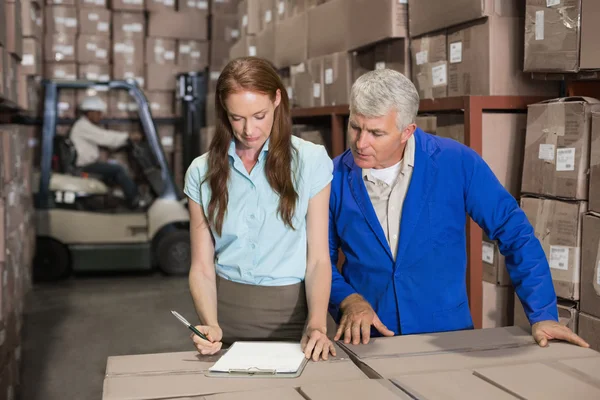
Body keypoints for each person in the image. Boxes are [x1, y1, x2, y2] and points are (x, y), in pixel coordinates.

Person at [328, 69, 590, 349]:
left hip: (447, 337)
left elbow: (515, 234)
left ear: (407, 131)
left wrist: (543, 314)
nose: (360, 142)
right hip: (369, 339)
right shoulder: (331, 178)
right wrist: (348, 299)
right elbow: (317, 260)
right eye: (355, 127)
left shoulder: (456, 162)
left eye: (376, 133)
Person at [183, 57, 336, 361]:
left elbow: (318, 258)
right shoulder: (200, 172)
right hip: (224, 319)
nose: (248, 129)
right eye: (236, 117)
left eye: (259, 115)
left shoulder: (310, 160)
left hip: (296, 321)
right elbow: (201, 265)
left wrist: (316, 323)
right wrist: (210, 325)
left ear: (277, 99)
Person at [70, 95, 144, 209]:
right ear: (90, 113)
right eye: (98, 113)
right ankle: (135, 200)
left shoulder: (85, 125)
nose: (100, 116)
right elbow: (105, 137)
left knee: (115, 172)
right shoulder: (83, 126)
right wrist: (128, 136)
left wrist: (125, 141)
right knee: (118, 169)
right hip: (85, 167)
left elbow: (105, 138)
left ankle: (115, 200)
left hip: (88, 165)